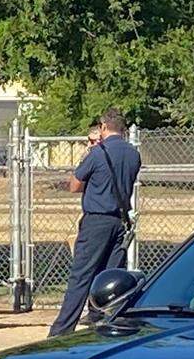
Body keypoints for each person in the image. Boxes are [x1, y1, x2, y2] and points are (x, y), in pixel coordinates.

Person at [48, 108, 141, 337]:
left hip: (96, 220)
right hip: (120, 221)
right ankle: (105, 321)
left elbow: (74, 185)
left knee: (81, 275)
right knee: (111, 277)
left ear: (103, 127)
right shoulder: (133, 154)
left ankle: (62, 329)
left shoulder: (98, 153)